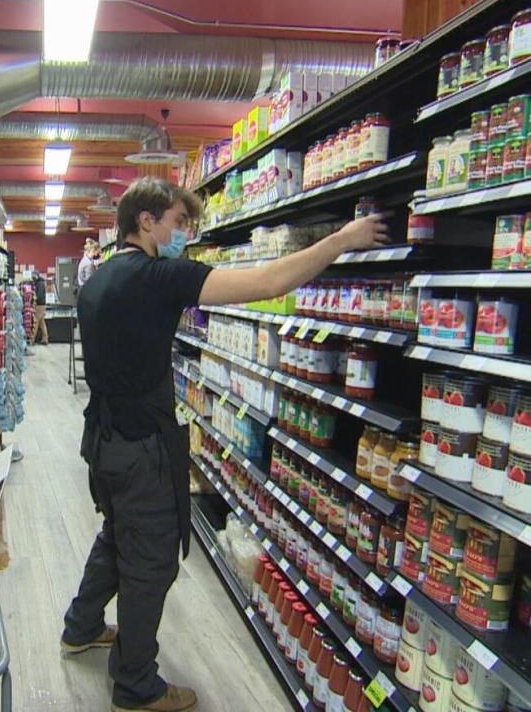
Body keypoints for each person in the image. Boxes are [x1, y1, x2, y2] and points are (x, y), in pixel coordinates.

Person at [59, 177, 388, 712]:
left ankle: (82, 625)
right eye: (177, 223)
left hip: (103, 439)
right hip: (143, 445)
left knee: (118, 535)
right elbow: (269, 282)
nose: (183, 234)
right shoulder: (156, 276)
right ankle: (135, 684)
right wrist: (340, 241)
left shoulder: (99, 279)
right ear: (146, 222)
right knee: (151, 562)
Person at [31, 270, 49, 344]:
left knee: (36, 322)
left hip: (39, 305)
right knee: (42, 323)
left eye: (33, 276)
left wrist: (34, 299)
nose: (32, 277)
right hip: (42, 305)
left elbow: (39, 295)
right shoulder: (40, 283)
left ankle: (32, 340)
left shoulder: (40, 284)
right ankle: (45, 339)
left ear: (36, 276)